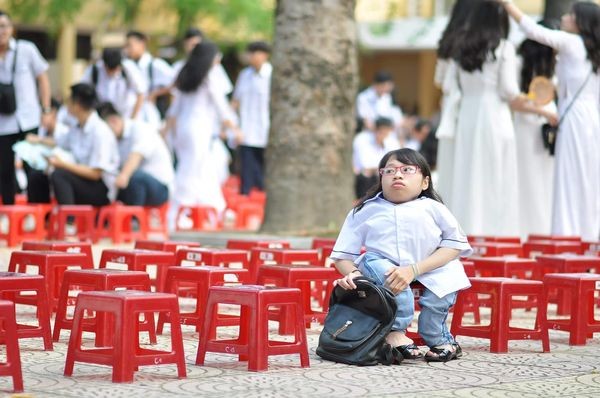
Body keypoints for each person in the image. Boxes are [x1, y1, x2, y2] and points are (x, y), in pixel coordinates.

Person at [331, 148, 472, 363]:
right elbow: (342, 255)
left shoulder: (435, 208)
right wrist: (354, 276)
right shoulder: (364, 210)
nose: (397, 175)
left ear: (425, 182)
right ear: (381, 178)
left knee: (437, 301)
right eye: (389, 170)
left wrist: (414, 270)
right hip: (383, 270)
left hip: (431, 267)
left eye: (407, 169)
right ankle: (395, 331)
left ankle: (439, 339)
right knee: (375, 263)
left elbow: (454, 246)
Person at [499, 0, 600, 241]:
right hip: (591, 118)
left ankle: (566, 236)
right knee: (588, 178)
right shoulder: (592, 52)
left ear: (580, 22)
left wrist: (507, 4)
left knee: (567, 177)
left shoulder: (571, 42)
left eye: (570, 15)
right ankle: (588, 235)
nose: (565, 17)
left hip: (574, 118)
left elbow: (532, 30)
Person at [449, 1, 521, 236]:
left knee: (468, 173)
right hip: (495, 114)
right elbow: (508, 90)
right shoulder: (503, 47)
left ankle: (466, 230)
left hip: (467, 114)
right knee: (495, 173)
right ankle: (495, 232)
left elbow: (451, 85)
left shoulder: (460, 48)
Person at [163, 40, 239, 230]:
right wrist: (234, 128)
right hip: (199, 129)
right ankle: (180, 211)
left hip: (183, 128)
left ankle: (213, 209)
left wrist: (167, 129)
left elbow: (175, 108)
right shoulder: (209, 76)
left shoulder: (185, 73)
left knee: (202, 169)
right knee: (191, 170)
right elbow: (221, 106)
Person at [27, 83, 120, 206]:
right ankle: (42, 219)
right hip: (81, 180)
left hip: (101, 189)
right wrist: (38, 140)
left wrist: (62, 164)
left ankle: (69, 221)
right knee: (37, 176)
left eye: (69, 101)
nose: (66, 106)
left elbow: (95, 173)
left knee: (59, 175)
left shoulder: (100, 132)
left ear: (77, 105)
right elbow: (59, 141)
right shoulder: (76, 128)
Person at [511, 22, 559, 236]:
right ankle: (526, 231)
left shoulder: (554, 65)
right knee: (528, 181)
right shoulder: (519, 63)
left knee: (547, 181)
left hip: (549, 129)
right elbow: (514, 102)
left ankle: (545, 231)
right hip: (527, 128)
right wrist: (544, 112)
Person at [0, 10, 52, 205]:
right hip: (3, 124)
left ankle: (39, 212)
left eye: (4, 26)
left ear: (11, 28)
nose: (1, 31)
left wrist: (46, 109)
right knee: (5, 171)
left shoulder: (26, 49)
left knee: (34, 167)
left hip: (28, 119)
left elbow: (43, 79)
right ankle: (8, 214)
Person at [433, 0, 477, 207]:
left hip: (450, 107)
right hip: (471, 107)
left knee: (450, 165)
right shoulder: (481, 42)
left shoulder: (448, 41)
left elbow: (439, 80)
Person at [97, 102, 173, 207]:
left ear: (113, 121)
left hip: (159, 187)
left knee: (133, 176)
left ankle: (134, 219)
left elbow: (135, 156)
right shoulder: (113, 141)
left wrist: (123, 176)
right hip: (133, 185)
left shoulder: (140, 128)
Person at [232, 41, 272, 195]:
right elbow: (236, 101)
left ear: (264, 55)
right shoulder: (245, 75)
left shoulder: (271, 75)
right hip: (246, 130)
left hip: (265, 129)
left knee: (263, 172)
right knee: (246, 171)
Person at [125, 30, 175, 127]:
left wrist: (155, 94)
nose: (128, 49)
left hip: (151, 117)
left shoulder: (155, 65)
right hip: (132, 115)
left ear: (142, 44)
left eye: (130, 45)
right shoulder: (128, 65)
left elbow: (175, 82)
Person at [80, 47, 146, 120]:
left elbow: (141, 93)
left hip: (125, 116)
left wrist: (132, 118)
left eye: (115, 69)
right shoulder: (95, 70)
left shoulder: (128, 68)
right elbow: (82, 91)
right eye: (110, 69)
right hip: (102, 116)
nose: (112, 72)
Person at [352, 117, 400, 199]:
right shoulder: (362, 139)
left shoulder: (391, 141)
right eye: (381, 131)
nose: (384, 134)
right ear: (375, 129)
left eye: (386, 132)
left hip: (383, 176)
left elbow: (396, 161)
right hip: (364, 178)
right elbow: (365, 166)